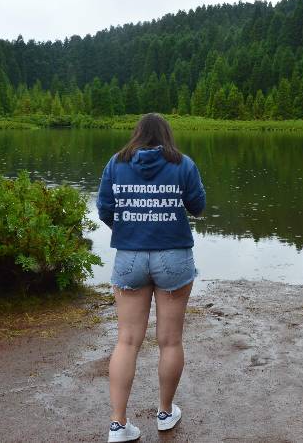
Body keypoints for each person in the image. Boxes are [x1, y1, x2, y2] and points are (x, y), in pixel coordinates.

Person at [96, 113, 206, 442]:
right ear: (166, 135)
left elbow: (104, 209)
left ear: (137, 134)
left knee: (127, 341)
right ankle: (165, 412)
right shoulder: (182, 163)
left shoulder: (116, 163)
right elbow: (198, 206)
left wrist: (131, 230)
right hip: (173, 257)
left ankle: (118, 425)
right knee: (170, 341)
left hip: (129, 257)